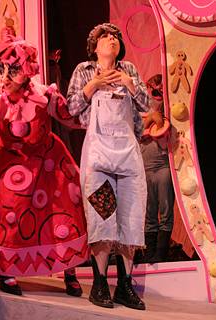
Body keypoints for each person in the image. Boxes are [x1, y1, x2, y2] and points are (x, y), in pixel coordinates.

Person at [0, 36, 88, 297]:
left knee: (64, 210)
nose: (6, 74)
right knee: (9, 209)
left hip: (48, 160)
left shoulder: (43, 94)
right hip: (7, 161)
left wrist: (102, 114)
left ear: (27, 68)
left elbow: (70, 118)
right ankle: (7, 268)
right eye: (3, 67)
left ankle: (69, 270)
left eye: (14, 68)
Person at [67, 23, 149, 310]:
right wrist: (94, 86)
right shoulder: (84, 70)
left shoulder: (130, 70)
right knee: (101, 216)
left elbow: (146, 105)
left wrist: (129, 84)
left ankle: (125, 285)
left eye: (115, 36)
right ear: (95, 45)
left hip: (128, 153)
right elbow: (71, 108)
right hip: (99, 156)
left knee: (131, 215)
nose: (111, 39)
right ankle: (100, 283)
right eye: (105, 36)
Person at [139, 74, 174, 264]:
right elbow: (136, 135)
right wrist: (149, 120)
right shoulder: (139, 111)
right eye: (154, 90)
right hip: (145, 167)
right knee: (149, 211)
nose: (157, 94)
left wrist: (157, 119)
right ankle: (149, 253)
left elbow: (163, 136)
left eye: (161, 91)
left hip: (163, 166)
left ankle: (161, 252)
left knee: (165, 209)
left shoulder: (169, 111)